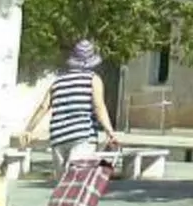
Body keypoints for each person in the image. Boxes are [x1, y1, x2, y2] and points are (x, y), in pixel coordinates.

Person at [20, 39, 120, 181]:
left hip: (58, 137)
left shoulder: (58, 81)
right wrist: (110, 132)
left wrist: (29, 129)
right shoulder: (93, 79)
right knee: (76, 182)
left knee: (62, 184)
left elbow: (44, 106)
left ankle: (63, 204)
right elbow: (99, 107)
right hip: (82, 136)